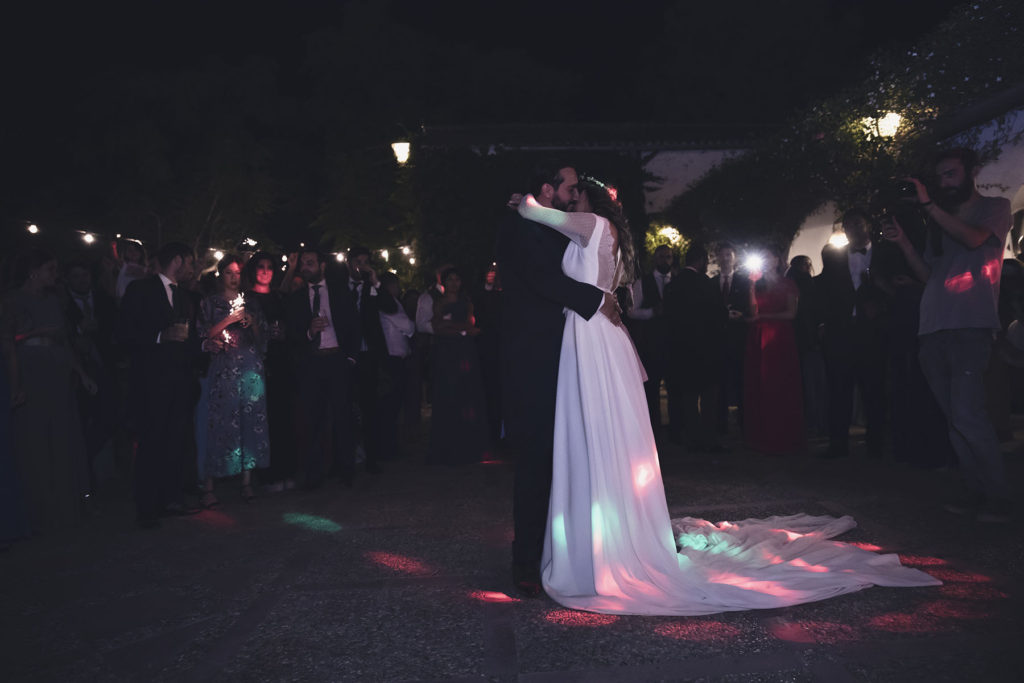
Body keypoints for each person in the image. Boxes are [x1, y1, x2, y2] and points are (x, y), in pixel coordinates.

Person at [516, 181, 937, 615]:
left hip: (589, 334)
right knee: (606, 433)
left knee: (593, 430)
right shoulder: (608, 232)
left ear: (592, 200)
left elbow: (532, 212)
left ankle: (601, 543)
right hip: (598, 331)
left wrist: (528, 199)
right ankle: (614, 531)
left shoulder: (590, 223)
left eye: (575, 192)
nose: (570, 198)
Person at [495, 161, 614, 597]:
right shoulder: (519, 228)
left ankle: (568, 551)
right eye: (570, 186)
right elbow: (542, 279)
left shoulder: (550, 223)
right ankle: (526, 561)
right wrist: (597, 300)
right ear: (548, 189)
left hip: (566, 356)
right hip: (533, 360)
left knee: (570, 454)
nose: (575, 192)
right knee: (536, 459)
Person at [883, 148, 1013, 522]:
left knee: (969, 415)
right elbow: (930, 276)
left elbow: (974, 240)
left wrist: (929, 207)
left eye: (951, 174)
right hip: (933, 328)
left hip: (970, 326)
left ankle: (1000, 498)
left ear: (971, 172)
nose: (945, 182)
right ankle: (976, 491)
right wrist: (904, 244)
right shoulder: (938, 222)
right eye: (940, 177)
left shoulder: (994, 207)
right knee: (954, 419)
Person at [1, 249, 92, 532]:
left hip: (56, 371)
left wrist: (82, 374)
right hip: (31, 371)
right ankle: (38, 511)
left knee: (63, 438)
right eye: (50, 269)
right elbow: (9, 343)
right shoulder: (12, 300)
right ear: (34, 272)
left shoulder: (54, 300)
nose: (55, 275)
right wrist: (16, 384)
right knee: (34, 440)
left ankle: (64, 509)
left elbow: (64, 342)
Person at [118, 242, 203, 529]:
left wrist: (206, 346)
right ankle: (147, 507)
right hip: (151, 382)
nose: (193, 269)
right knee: (151, 441)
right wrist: (159, 336)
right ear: (177, 260)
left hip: (180, 382)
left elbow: (189, 340)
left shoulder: (185, 297)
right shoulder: (141, 290)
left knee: (175, 441)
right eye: (190, 262)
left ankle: (170, 499)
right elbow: (125, 334)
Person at [284, 247, 361, 489]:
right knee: (312, 418)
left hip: (337, 359)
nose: (305, 267)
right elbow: (292, 334)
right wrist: (309, 332)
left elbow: (354, 325)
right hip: (312, 362)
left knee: (343, 416)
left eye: (310, 263)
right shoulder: (297, 298)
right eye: (303, 264)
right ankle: (314, 473)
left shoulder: (339, 292)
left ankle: (346, 470)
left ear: (322, 265)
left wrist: (351, 358)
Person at [197, 254, 270, 506]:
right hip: (224, 367)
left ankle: (247, 482)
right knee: (220, 422)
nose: (234, 277)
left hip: (250, 365)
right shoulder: (210, 303)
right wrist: (229, 319)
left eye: (237, 273)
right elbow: (203, 334)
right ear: (221, 275)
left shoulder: (251, 302)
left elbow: (263, 338)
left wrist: (253, 323)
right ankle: (210, 485)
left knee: (250, 421)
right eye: (229, 272)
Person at [818, 209, 888, 459]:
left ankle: (876, 444)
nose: (853, 230)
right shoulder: (832, 256)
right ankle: (838, 444)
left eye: (858, 224)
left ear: (868, 225)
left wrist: (880, 307)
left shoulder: (884, 253)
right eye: (848, 226)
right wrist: (825, 323)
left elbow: (894, 289)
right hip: (842, 331)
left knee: (874, 389)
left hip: (872, 331)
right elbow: (826, 290)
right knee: (839, 389)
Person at [662, 244, 727, 452]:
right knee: (709, 395)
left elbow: (668, 318)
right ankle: (708, 438)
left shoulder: (673, 285)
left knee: (688, 396)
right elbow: (719, 316)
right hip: (706, 349)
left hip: (682, 349)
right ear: (701, 261)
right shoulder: (706, 284)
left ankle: (692, 436)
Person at [743, 248, 805, 455]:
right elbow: (753, 310)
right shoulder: (757, 283)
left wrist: (764, 317)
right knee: (759, 383)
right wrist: (751, 286)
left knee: (779, 383)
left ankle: (783, 434)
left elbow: (791, 313)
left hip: (779, 337)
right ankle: (761, 435)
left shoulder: (787, 283)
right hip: (758, 336)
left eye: (769, 257)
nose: (766, 261)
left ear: (778, 260)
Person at [243, 251, 295, 491]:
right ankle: (267, 475)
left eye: (269, 267)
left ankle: (285, 470)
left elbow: (289, 325)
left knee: (283, 417)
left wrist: (283, 333)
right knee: (263, 419)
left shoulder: (278, 297)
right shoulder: (247, 299)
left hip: (281, 361)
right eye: (260, 266)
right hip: (256, 363)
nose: (265, 271)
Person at [427, 266, 490, 465]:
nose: (454, 283)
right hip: (447, 353)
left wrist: (452, 326)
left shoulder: (466, 302)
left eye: (457, 279)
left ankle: (468, 446)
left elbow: (472, 326)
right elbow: (437, 327)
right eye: (450, 279)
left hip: (465, 353)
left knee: (467, 394)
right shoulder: (439, 303)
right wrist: (460, 329)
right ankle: (447, 447)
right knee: (448, 394)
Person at [627, 244, 674, 434]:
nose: (665, 260)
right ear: (655, 259)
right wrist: (652, 312)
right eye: (662, 256)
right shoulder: (642, 282)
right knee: (652, 388)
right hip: (651, 343)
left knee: (674, 387)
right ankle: (653, 428)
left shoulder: (677, 280)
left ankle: (675, 428)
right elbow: (631, 311)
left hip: (673, 343)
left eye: (668, 257)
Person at [710, 242, 751, 434]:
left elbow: (750, 306)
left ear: (735, 258)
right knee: (720, 383)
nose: (726, 258)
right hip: (718, 340)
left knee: (741, 380)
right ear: (718, 258)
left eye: (729, 255)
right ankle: (721, 424)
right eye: (723, 255)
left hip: (738, 338)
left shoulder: (744, 281)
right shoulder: (712, 282)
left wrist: (742, 315)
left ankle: (744, 422)